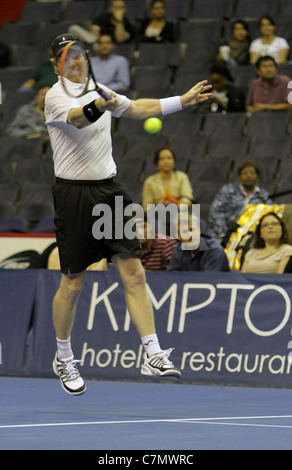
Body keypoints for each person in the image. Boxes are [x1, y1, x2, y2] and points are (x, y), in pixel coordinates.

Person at [45, 33, 212, 395]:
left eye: (77, 54)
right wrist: (100, 106)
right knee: (73, 283)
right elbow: (76, 119)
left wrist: (181, 102)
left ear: (86, 57)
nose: (74, 61)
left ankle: (152, 352)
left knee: (134, 272)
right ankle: (63, 356)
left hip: (109, 190)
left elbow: (137, 108)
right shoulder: (56, 96)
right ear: (56, 65)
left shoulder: (101, 88)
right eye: (65, 57)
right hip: (73, 195)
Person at [207, 160, 273, 243]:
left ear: (257, 176)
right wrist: (225, 233)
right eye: (245, 173)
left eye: (252, 173)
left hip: (251, 237)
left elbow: (269, 216)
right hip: (222, 235)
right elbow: (215, 212)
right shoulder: (228, 190)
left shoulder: (264, 195)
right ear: (239, 177)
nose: (248, 176)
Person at [69, 0, 136, 45]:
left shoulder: (128, 24)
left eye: (121, 8)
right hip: (98, 45)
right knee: (73, 28)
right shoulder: (103, 18)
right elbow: (94, 36)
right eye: (116, 7)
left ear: (125, 10)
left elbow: (120, 39)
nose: (118, 10)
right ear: (111, 9)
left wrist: (119, 21)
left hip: (114, 48)